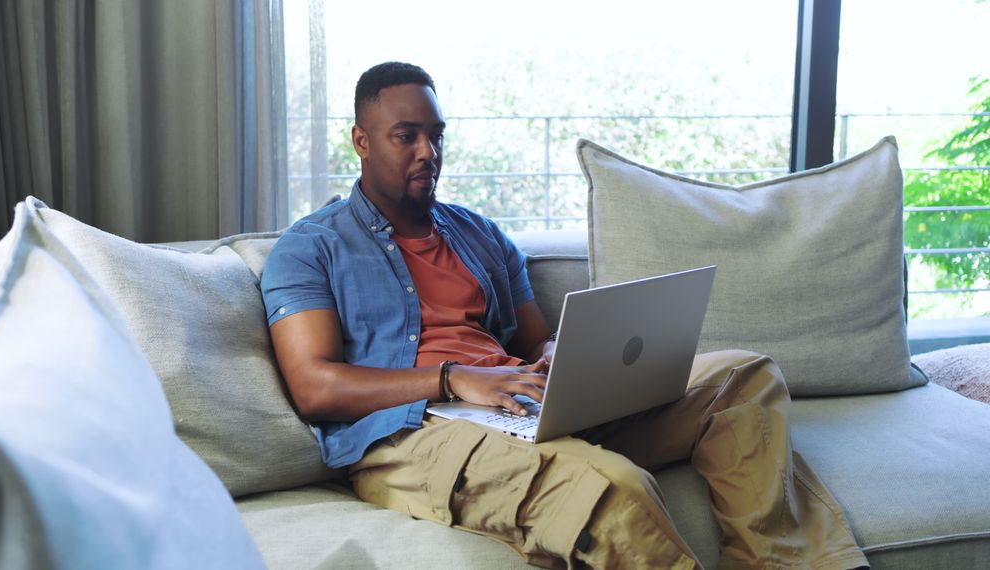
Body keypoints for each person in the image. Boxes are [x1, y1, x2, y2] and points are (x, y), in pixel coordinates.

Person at [262, 61, 868, 569]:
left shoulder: (479, 235)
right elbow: (315, 387)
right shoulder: (313, 247)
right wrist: (452, 378)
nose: (429, 152)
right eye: (407, 135)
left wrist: (556, 357)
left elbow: (534, 341)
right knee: (615, 490)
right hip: (414, 435)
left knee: (746, 377)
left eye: (438, 134)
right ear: (361, 140)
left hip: (520, 407)